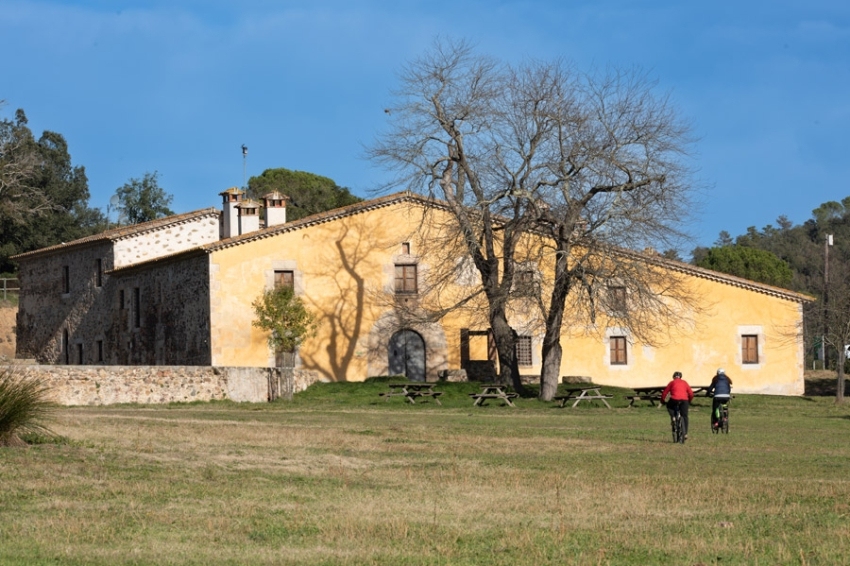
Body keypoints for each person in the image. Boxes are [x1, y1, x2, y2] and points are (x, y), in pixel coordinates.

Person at [660, 371, 694, 440]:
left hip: (674, 399)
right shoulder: (684, 382)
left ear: (673, 377)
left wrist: (662, 401)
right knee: (685, 416)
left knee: (669, 406)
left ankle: (673, 417)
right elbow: (691, 393)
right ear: (680, 377)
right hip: (684, 400)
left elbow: (665, 392)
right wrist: (689, 401)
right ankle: (685, 434)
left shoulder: (672, 382)